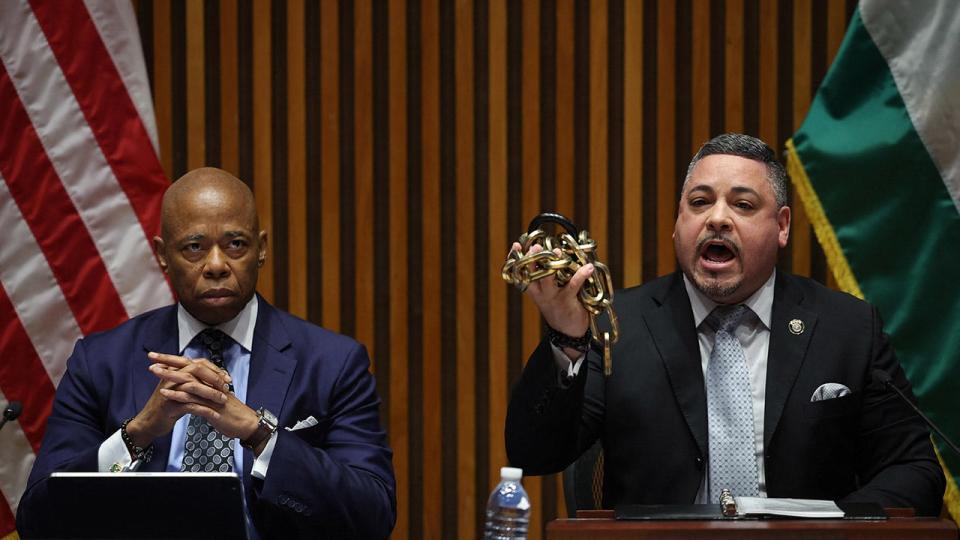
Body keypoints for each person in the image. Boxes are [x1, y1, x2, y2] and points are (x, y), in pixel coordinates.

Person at [505, 133, 945, 515]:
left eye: (742, 204)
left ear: (782, 226)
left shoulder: (847, 328)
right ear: (679, 224)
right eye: (699, 202)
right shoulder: (618, 327)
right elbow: (534, 454)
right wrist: (567, 339)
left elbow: (914, 470)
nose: (717, 218)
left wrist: (830, 529)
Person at [17, 168, 396, 538]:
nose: (216, 266)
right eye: (195, 247)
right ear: (163, 255)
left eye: (235, 244)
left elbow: (373, 515)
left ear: (261, 249)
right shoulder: (100, 362)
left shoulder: (332, 363)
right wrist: (138, 433)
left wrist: (259, 434)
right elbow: (38, 521)